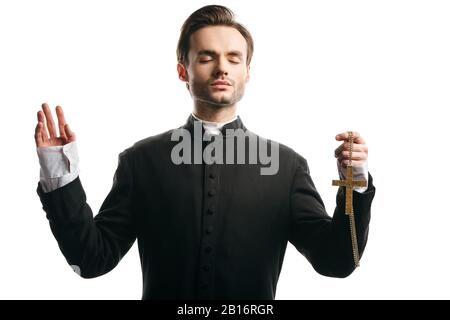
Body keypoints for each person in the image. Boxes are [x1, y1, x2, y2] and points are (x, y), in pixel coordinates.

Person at [35, 5, 375, 300]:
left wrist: (353, 184)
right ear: (183, 70)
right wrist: (59, 173)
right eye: (207, 56)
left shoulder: (287, 168)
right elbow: (93, 259)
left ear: (247, 72)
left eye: (233, 58)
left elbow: (338, 262)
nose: (222, 68)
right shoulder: (141, 162)